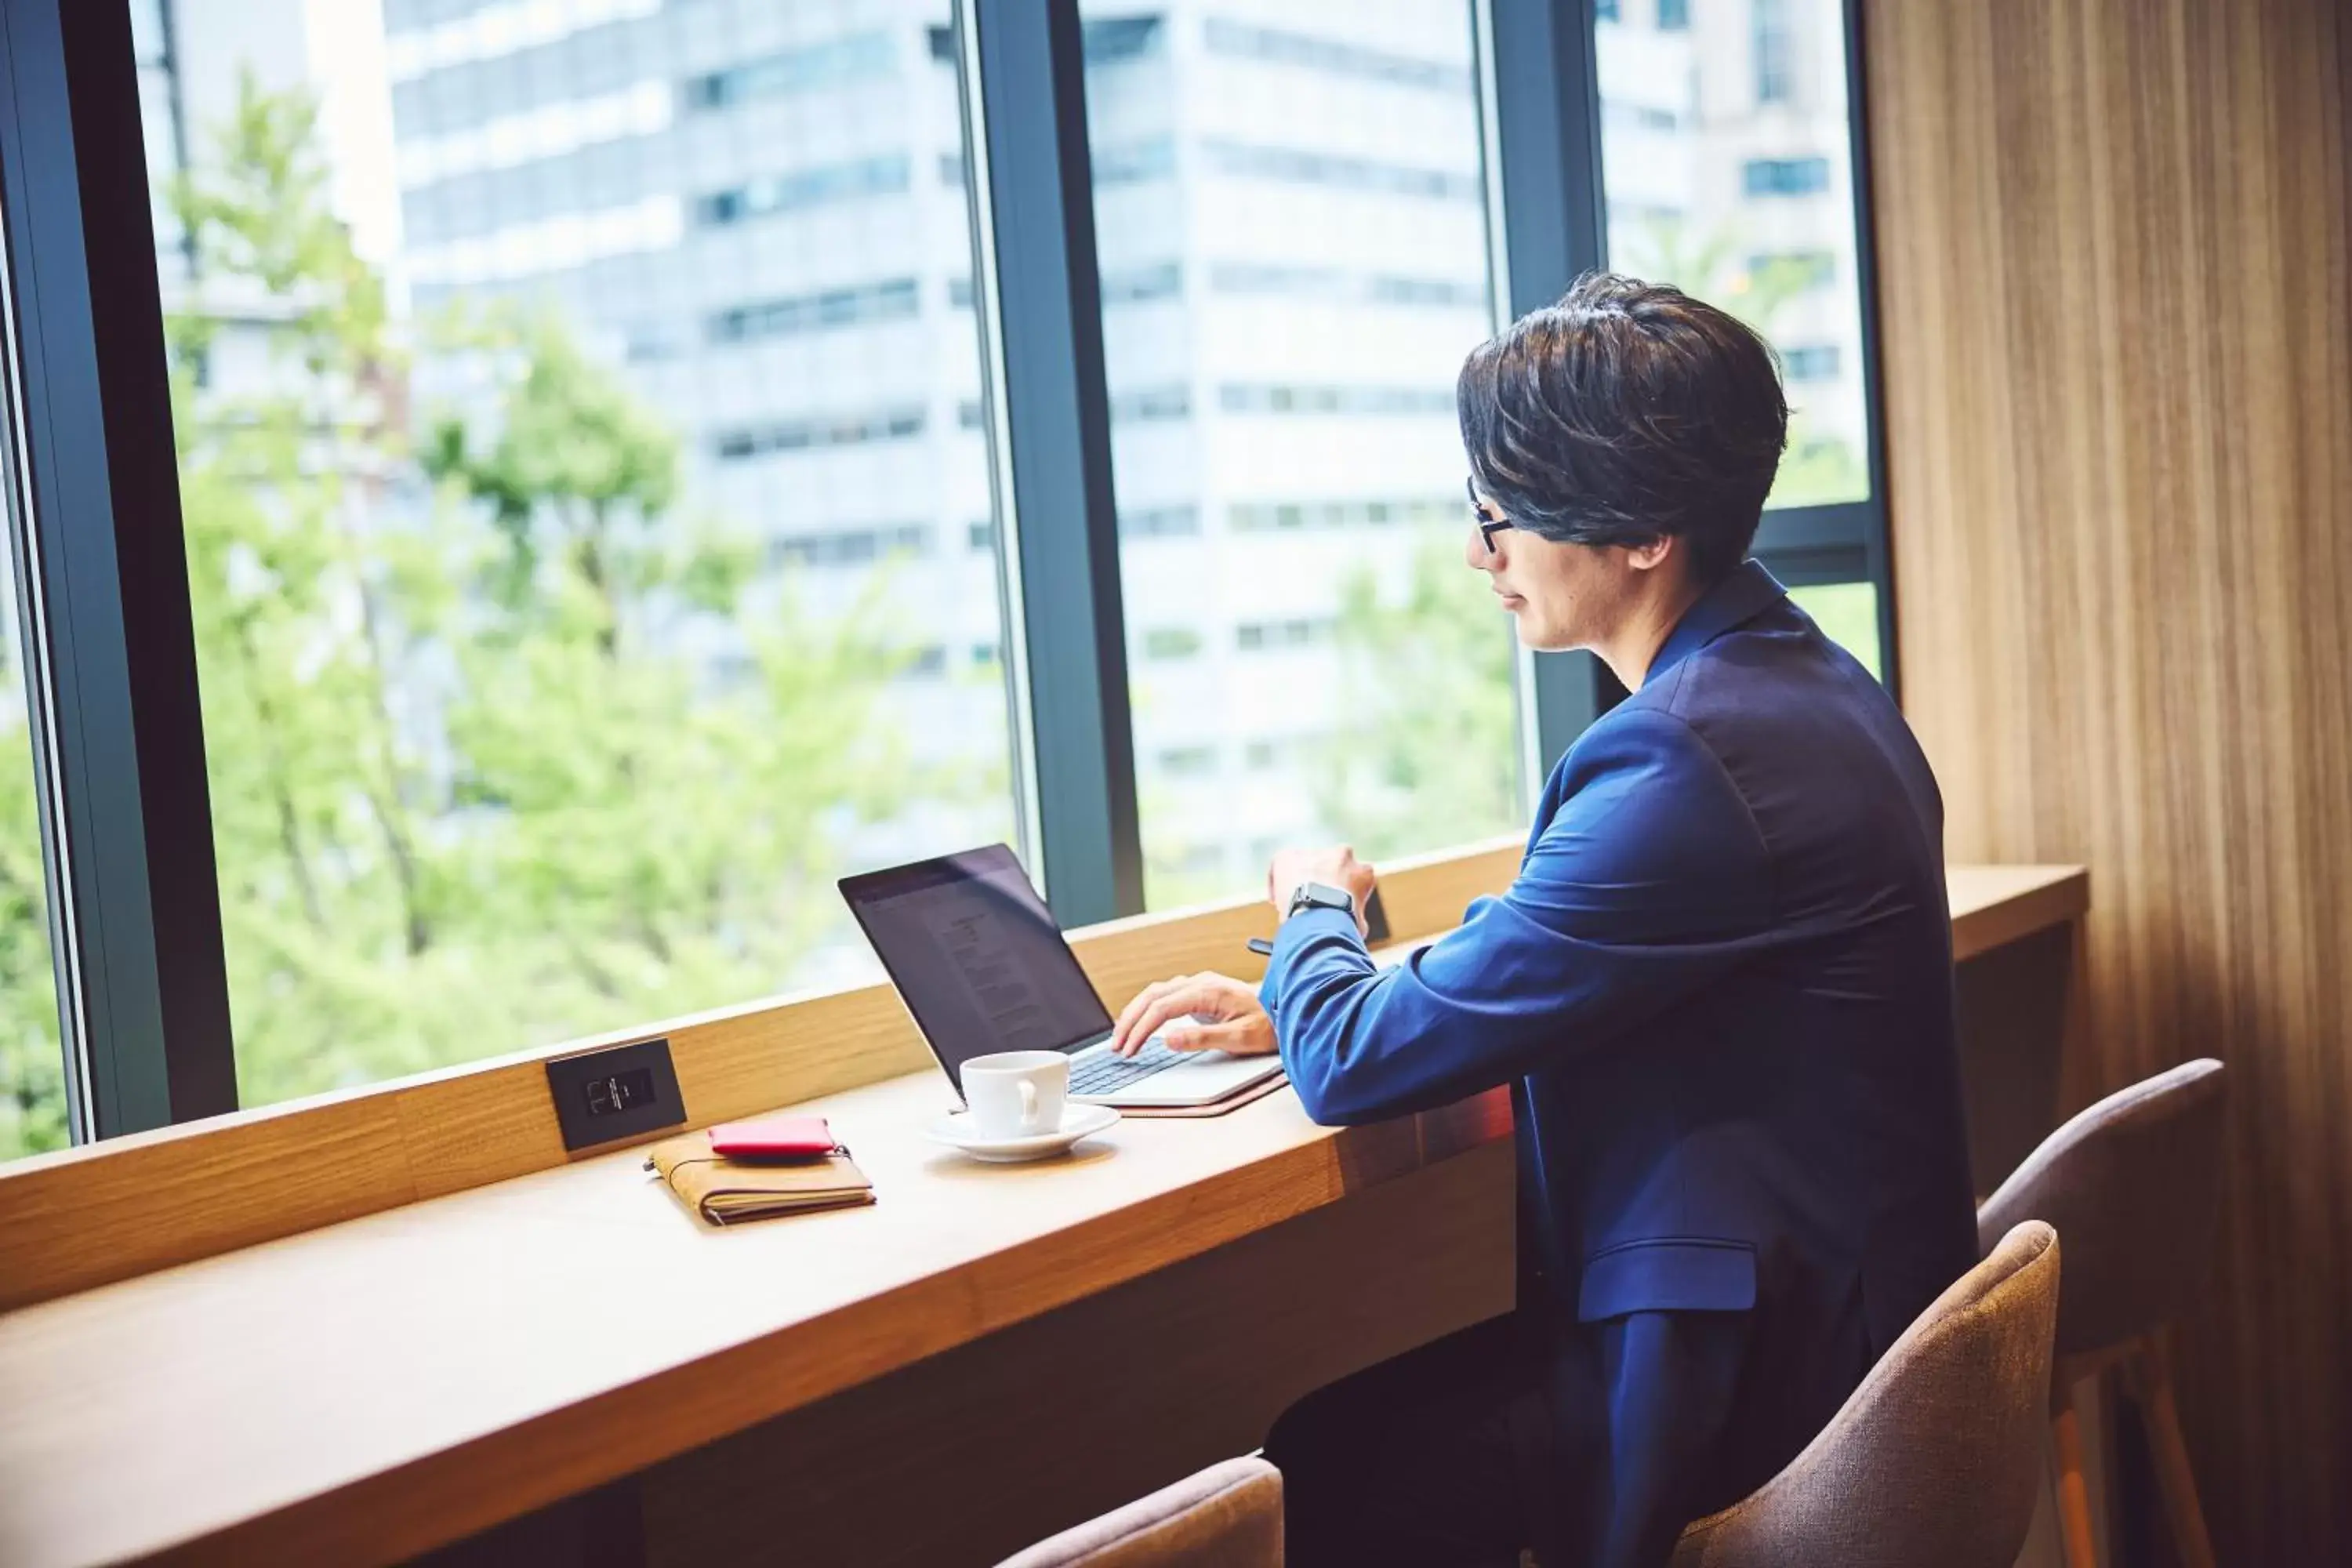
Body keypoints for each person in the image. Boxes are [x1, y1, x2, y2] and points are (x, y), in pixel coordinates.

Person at [1106, 272, 1976, 1567]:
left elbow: (1358, 1066)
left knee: (1314, 1469)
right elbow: (1578, 944)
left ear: (1641, 535)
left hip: (1762, 1394)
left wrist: (1309, 908)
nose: (1480, 550)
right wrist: (1300, 1004)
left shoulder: (1688, 758)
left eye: (1502, 511)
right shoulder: (1810, 686)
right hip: (1860, 1340)